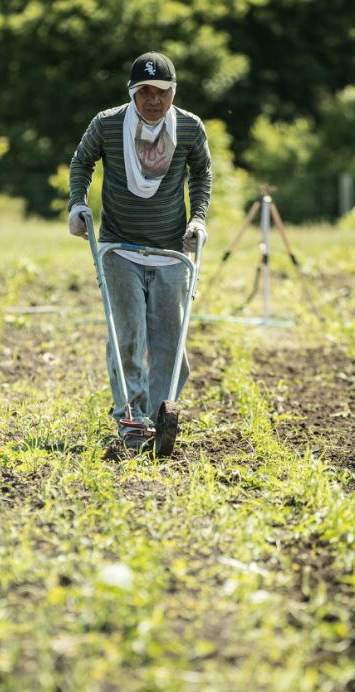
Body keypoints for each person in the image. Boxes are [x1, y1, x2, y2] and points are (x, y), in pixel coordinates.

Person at [67, 51, 212, 450]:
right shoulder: (107, 125)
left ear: (172, 92)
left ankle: (162, 416)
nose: (153, 100)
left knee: (170, 345)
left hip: (171, 252)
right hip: (120, 250)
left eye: (162, 91)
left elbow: (202, 173)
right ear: (132, 93)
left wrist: (198, 218)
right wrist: (77, 205)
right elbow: (81, 163)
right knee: (126, 339)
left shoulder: (189, 128)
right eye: (144, 92)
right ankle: (131, 419)